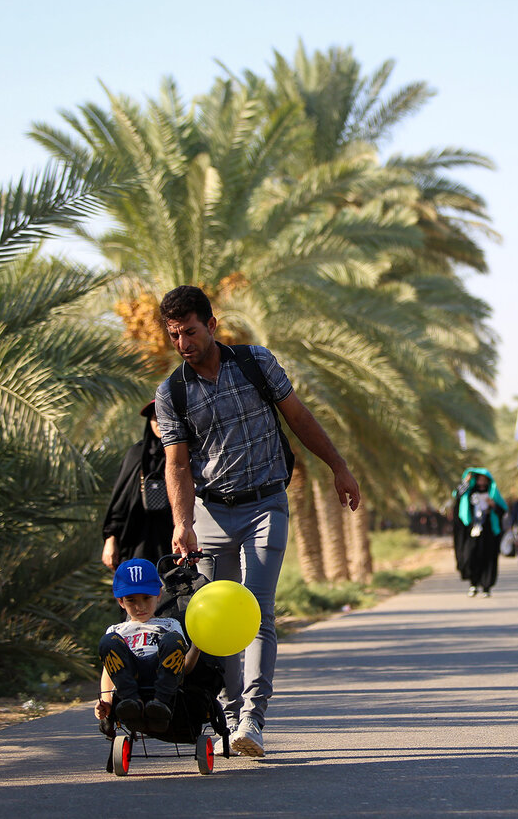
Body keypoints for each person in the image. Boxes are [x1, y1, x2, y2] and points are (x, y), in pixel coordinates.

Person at [155, 285, 360, 759]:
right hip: (210, 512)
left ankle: (252, 717)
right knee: (214, 621)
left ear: (211, 323)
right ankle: (227, 714)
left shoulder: (255, 364)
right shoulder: (173, 393)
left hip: (266, 504)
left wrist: (339, 467)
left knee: (257, 609)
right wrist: (181, 522)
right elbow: (177, 464)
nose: (183, 343)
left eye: (189, 331)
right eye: (174, 335)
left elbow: (299, 418)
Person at [95, 558, 198, 734]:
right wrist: (107, 702)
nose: (140, 606)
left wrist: (197, 646)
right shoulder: (117, 630)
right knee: (108, 641)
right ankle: (132, 703)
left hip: (161, 672)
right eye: (131, 600)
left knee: (173, 639)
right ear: (121, 602)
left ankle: (160, 704)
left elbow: (183, 666)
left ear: (158, 595)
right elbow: (109, 670)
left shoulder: (170, 624)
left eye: (146, 598)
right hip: (129, 676)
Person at [100, 401, 175, 569]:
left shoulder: (186, 454)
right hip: (138, 540)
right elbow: (121, 501)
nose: (160, 424)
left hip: (175, 542)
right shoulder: (136, 455)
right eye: (155, 418)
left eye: (165, 418)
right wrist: (111, 539)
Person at [452, 468, 508, 595]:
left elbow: (503, 510)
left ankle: (486, 586)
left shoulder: (492, 493)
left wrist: (493, 505)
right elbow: (457, 494)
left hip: (488, 530)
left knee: (487, 557)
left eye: (484, 479)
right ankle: (473, 583)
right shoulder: (469, 492)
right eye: (479, 478)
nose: (482, 481)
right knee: (471, 556)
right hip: (472, 530)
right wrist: (466, 481)